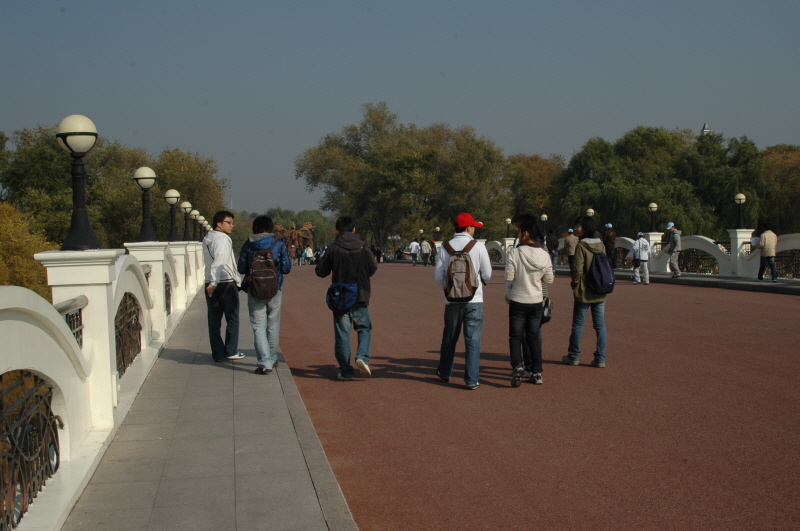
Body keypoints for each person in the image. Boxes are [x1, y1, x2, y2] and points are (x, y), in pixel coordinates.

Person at [315, 216, 378, 380]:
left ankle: (345, 370)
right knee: (364, 329)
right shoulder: (363, 247)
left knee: (342, 334)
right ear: (354, 229)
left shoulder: (334, 248)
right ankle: (362, 357)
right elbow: (372, 268)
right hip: (361, 295)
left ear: (338, 230)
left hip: (341, 297)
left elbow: (321, 271)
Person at [435, 213, 492, 390]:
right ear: (468, 228)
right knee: (472, 340)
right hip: (474, 300)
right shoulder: (478, 246)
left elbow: (439, 276)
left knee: (450, 337)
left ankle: (445, 372)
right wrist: (478, 286)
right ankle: (471, 379)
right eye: (473, 227)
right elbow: (488, 274)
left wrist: (448, 290)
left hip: (451, 300)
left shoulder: (444, 247)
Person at [237, 215, 291, 374]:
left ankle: (264, 362)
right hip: (275, 289)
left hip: (255, 289)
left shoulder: (249, 244)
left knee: (258, 326)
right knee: (273, 325)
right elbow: (287, 268)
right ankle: (273, 359)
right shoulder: (278, 243)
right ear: (271, 227)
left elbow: (241, 268)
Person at [505, 219, 554, 387]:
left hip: (518, 299)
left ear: (525, 233)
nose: (517, 235)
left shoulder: (515, 253)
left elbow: (508, 277)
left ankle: (518, 365)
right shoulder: (544, 254)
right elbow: (549, 279)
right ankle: (537, 371)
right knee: (533, 336)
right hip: (536, 301)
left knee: (516, 336)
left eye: (518, 232)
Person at [563, 215, 608, 368]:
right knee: (600, 325)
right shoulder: (601, 244)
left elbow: (577, 268)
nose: (576, 229)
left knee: (578, 324)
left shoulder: (582, 245)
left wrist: (575, 283)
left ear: (585, 227)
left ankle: (573, 356)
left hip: (584, 290)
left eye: (578, 226)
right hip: (600, 288)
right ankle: (600, 358)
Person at [203, 211, 243, 362]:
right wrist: (215, 281)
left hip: (210, 282)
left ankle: (218, 353)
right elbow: (219, 262)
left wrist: (211, 282)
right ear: (219, 224)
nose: (232, 225)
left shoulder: (207, 238)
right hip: (224, 282)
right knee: (232, 318)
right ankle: (230, 350)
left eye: (232, 222)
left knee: (214, 320)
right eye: (229, 222)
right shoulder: (223, 239)